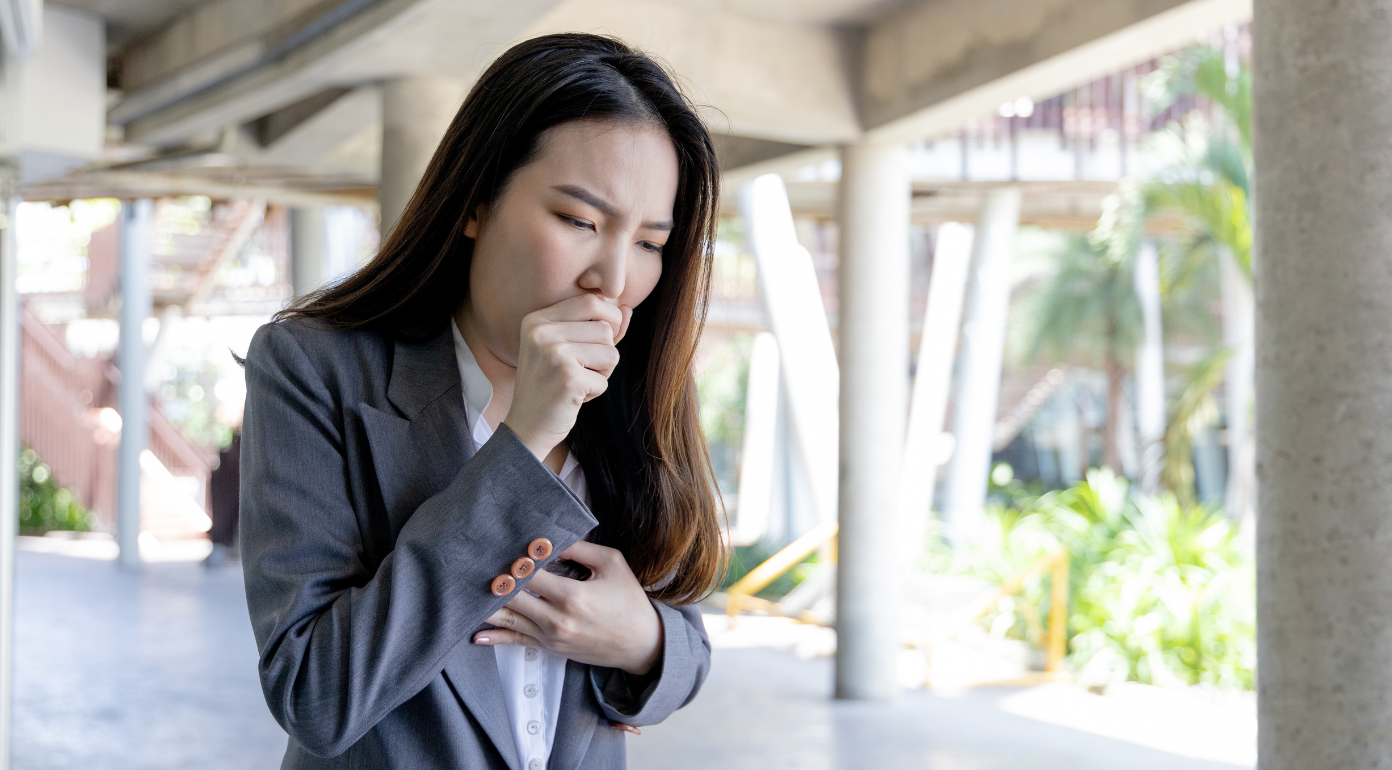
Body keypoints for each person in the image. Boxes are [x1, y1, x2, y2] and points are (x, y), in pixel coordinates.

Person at [238, 33, 725, 769]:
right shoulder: (316, 367)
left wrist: (643, 641)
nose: (615, 277)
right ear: (476, 202)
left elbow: (685, 638)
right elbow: (316, 693)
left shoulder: (634, 389)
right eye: (580, 221)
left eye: (652, 242)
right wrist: (523, 443)